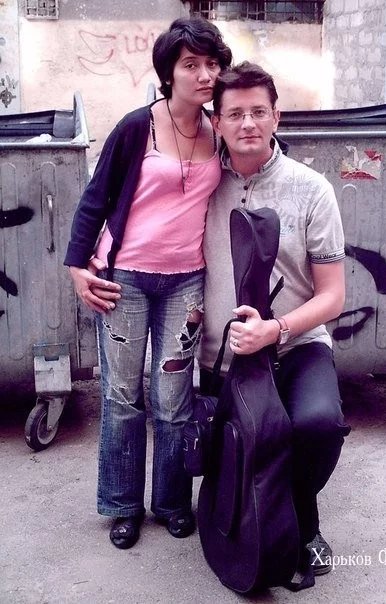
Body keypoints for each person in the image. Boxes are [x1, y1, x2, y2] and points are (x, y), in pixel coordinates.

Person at [64, 17, 232, 550]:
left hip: (186, 283)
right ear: (168, 72)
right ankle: (122, 505)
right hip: (126, 280)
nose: (205, 75)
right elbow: (95, 197)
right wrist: (78, 267)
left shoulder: (220, 130)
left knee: (174, 397)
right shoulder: (138, 127)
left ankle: (172, 502)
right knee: (122, 396)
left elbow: (264, 153)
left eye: (212, 64)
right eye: (191, 65)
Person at [198, 62, 351, 583]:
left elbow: (333, 295)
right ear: (216, 122)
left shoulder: (311, 190)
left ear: (276, 117)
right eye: (235, 113)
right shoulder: (201, 187)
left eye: (259, 112)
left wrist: (278, 329)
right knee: (243, 444)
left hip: (297, 345)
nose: (248, 123)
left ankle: (300, 523)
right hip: (226, 354)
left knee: (317, 424)